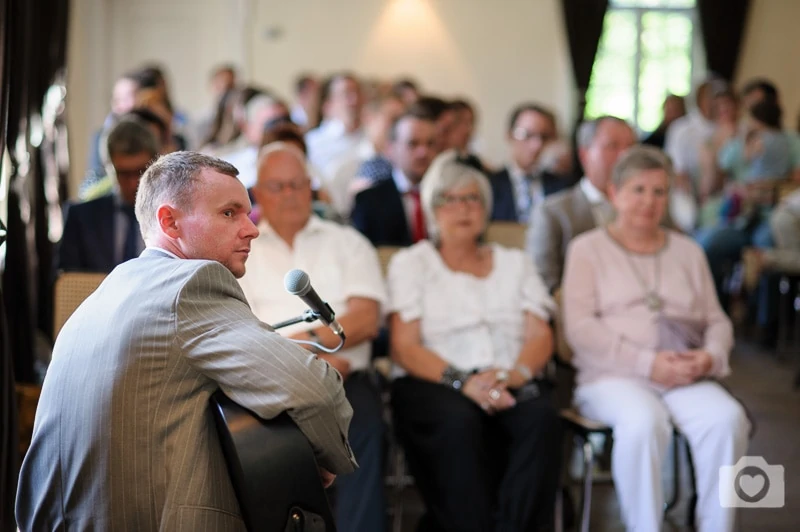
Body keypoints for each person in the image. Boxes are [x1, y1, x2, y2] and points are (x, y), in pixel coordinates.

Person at [17, 152, 356, 531]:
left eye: (247, 211)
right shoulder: (191, 285)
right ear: (170, 221)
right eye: (229, 213)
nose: (252, 228)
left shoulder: (97, 299)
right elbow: (314, 389)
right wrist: (321, 454)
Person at [562, 146, 750, 532]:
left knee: (727, 419)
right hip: (611, 376)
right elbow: (580, 328)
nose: (649, 202)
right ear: (614, 193)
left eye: (659, 191)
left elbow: (716, 319)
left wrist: (710, 357)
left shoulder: (688, 250)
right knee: (644, 421)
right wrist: (647, 364)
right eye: (638, 190)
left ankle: (718, 527)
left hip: (682, 371)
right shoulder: (587, 250)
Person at [387, 154, 561, 531]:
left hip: (509, 376)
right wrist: (463, 383)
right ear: (433, 209)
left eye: (472, 199)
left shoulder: (517, 262)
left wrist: (513, 376)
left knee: (542, 419)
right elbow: (405, 346)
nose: (462, 209)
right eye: (449, 199)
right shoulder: (412, 263)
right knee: (459, 422)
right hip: (436, 381)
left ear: (486, 208)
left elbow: (539, 332)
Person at [238, 142, 387, 532]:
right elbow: (239, 333)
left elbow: (366, 319)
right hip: (268, 385)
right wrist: (313, 358)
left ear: (311, 188)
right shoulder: (241, 252)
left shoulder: (348, 242)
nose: (288, 195)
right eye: (277, 186)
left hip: (346, 381)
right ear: (257, 193)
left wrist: (316, 357)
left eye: (296, 185)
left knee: (365, 427)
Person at [528, 115, 637, 292]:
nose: (625, 156)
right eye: (613, 146)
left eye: (631, 147)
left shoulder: (653, 207)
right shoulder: (553, 213)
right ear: (585, 154)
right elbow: (542, 284)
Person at [58, 118, 159, 272]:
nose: (133, 183)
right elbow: (65, 284)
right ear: (108, 167)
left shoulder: (170, 217)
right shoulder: (81, 218)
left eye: (140, 172)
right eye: (123, 174)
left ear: (154, 165)